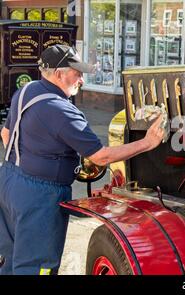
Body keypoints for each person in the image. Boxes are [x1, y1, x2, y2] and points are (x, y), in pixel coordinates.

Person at [0, 44, 165, 275]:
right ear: (59, 74)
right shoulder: (61, 110)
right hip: (40, 196)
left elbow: (6, 134)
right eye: (77, 73)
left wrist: (30, 159)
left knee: (11, 259)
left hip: (9, 182)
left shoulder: (27, 90)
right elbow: (100, 156)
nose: (81, 80)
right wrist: (148, 142)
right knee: (37, 267)